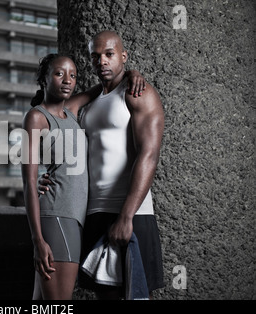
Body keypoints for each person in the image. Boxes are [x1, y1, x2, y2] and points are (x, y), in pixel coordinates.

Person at [39, 30, 165, 299]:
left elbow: (149, 155)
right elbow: (50, 114)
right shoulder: (91, 103)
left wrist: (126, 216)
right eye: (95, 57)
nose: (102, 62)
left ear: (123, 55)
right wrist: (40, 173)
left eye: (109, 54)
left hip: (130, 213)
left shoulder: (137, 93)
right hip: (94, 213)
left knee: (133, 295)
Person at [22, 53, 146, 300]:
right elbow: (28, 181)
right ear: (44, 79)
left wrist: (131, 74)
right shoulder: (36, 117)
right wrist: (38, 241)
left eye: (73, 75)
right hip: (58, 215)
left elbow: (103, 86)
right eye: (59, 74)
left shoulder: (70, 112)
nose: (68, 80)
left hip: (75, 217)